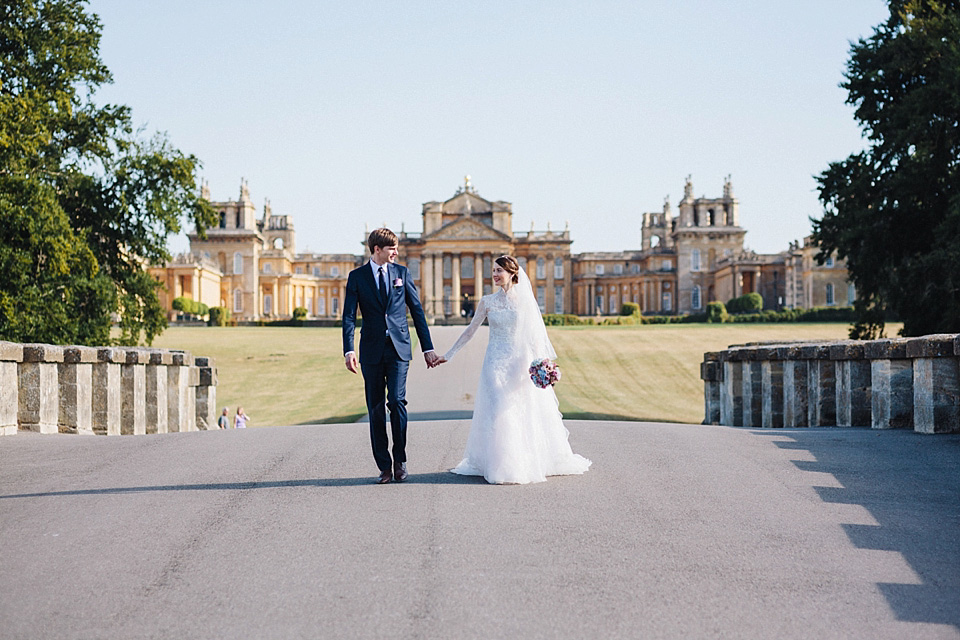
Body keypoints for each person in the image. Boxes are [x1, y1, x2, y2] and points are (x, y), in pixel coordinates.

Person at [435, 255, 591, 484]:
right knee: (498, 407)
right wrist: (448, 355)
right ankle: (500, 464)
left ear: (512, 273)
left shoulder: (525, 301)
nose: (495, 275)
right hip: (495, 362)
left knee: (519, 410)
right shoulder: (487, 301)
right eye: (494, 271)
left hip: (519, 362)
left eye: (499, 270)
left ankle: (519, 461)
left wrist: (542, 364)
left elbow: (534, 336)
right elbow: (470, 331)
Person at [342, 228, 439, 484]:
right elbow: (349, 316)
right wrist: (349, 349)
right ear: (377, 250)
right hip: (371, 350)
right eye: (392, 249)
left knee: (396, 402)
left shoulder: (402, 273)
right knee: (375, 408)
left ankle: (400, 460)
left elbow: (417, 311)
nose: (396, 252)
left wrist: (427, 348)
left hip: (399, 349)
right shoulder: (357, 277)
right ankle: (384, 466)